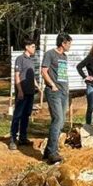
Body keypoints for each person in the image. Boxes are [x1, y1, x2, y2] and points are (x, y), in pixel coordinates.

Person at [40, 32, 72, 164]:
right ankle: (53, 153)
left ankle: (48, 150)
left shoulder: (64, 56)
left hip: (64, 92)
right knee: (58, 119)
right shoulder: (50, 54)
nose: (70, 46)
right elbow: (43, 71)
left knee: (61, 120)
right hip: (54, 92)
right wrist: (52, 85)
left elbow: (63, 75)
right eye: (69, 43)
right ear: (63, 43)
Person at [9, 38, 38, 151]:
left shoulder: (31, 60)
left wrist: (37, 86)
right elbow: (17, 76)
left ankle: (23, 137)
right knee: (18, 115)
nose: (34, 48)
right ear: (26, 47)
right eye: (33, 46)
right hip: (22, 92)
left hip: (30, 92)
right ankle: (13, 138)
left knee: (26, 115)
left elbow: (32, 76)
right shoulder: (19, 59)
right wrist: (20, 90)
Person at [76, 41, 93, 127]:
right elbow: (79, 66)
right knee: (91, 107)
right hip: (91, 85)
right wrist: (85, 76)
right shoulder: (89, 58)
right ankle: (88, 126)